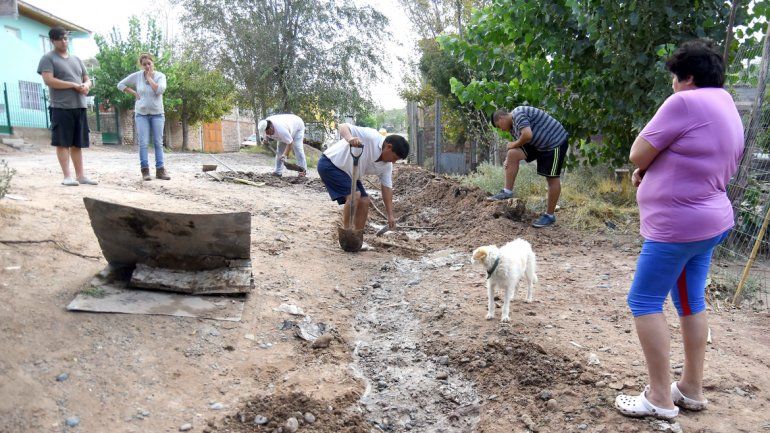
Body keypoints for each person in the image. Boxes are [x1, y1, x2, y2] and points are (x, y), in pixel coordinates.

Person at [614, 39, 744, 420]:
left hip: (676, 226)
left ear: (687, 78)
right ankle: (690, 388)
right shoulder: (726, 103)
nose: (672, 85)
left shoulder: (684, 102)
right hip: (710, 221)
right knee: (690, 302)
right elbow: (692, 156)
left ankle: (658, 396)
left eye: (674, 77)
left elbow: (639, 152)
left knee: (643, 301)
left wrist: (645, 166)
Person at [317, 123, 409, 232]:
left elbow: (387, 188)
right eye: (394, 158)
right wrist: (350, 138)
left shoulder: (386, 166)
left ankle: (357, 237)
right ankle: (348, 233)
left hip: (350, 174)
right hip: (331, 164)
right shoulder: (370, 136)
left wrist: (390, 215)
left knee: (364, 201)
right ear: (389, 147)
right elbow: (343, 126)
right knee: (354, 195)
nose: (394, 162)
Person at [487, 106, 569, 228]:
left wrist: (512, 144)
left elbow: (527, 135)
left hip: (554, 142)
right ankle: (507, 192)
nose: (502, 130)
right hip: (538, 144)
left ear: (501, 117)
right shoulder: (513, 128)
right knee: (512, 154)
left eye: (499, 126)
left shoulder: (518, 114)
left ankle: (549, 216)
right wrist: (508, 159)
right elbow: (517, 145)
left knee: (551, 178)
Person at [37, 26, 97, 186]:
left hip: (79, 106)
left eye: (66, 38)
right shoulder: (48, 59)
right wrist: (73, 85)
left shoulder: (76, 59)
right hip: (61, 107)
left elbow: (87, 78)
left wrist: (86, 85)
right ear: (53, 41)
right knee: (63, 143)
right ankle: (67, 177)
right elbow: (49, 80)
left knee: (77, 143)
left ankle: (81, 176)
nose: (64, 42)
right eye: (61, 39)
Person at [117, 53, 170, 181]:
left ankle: (160, 170)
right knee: (143, 143)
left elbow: (160, 90)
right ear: (141, 65)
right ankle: (145, 171)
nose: (147, 66)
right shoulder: (137, 76)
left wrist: (149, 78)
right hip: (141, 114)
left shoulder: (160, 76)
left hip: (157, 114)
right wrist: (133, 92)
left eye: (149, 63)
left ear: (153, 63)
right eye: (144, 64)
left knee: (158, 142)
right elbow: (120, 85)